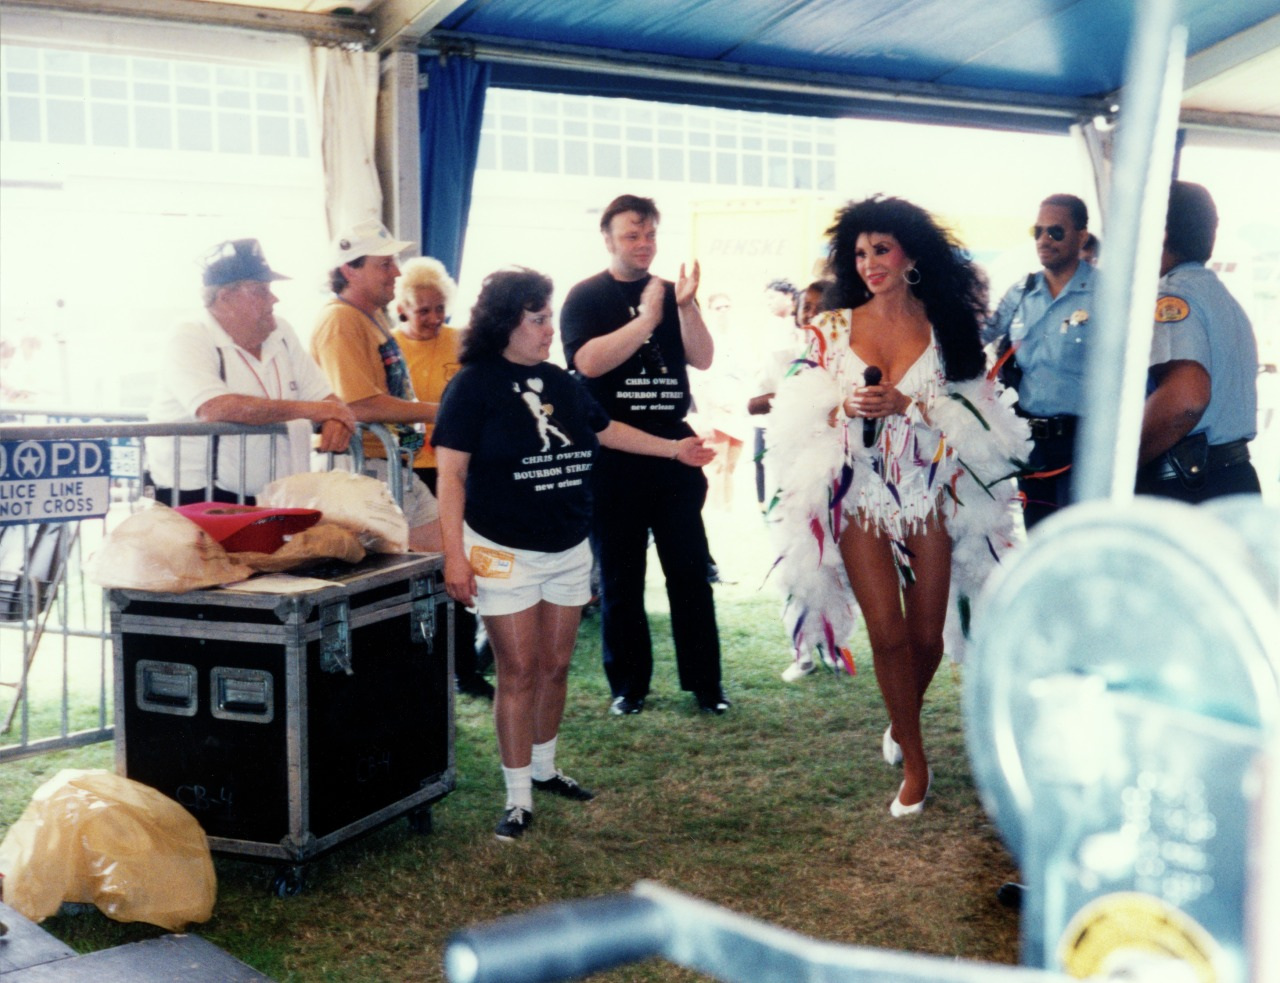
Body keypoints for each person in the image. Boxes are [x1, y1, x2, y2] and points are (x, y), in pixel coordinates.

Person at [432, 267, 713, 841]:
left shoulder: (563, 383)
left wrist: (674, 449)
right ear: (507, 322)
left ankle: (545, 767)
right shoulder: (472, 385)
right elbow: (451, 476)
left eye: (546, 318)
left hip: (566, 547)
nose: (546, 331)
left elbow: (606, 431)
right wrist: (454, 555)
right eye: (537, 320)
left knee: (556, 666)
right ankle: (516, 799)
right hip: (502, 549)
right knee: (518, 670)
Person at [768, 196, 1028, 816]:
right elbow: (795, 411)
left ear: (911, 254)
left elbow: (979, 424)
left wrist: (908, 408)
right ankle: (915, 760)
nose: (868, 263)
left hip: (929, 493)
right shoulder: (831, 328)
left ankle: (901, 715)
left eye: (880, 249)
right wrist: (843, 408)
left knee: (927, 638)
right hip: (857, 490)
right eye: (859, 253)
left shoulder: (950, 331)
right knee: (887, 634)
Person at [559, 194, 730, 716]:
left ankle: (706, 686)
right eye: (632, 235)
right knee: (620, 576)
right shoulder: (585, 296)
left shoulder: (670, 292)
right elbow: (587, 363)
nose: (644, 245)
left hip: (676, 449)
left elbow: (701, 357)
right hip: (615, 454)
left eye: (651, 234)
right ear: (608, 239)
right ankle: (628, 686)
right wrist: (647, 319)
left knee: (689, 572)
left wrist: (684, 306)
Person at [146, 238, 356, 505]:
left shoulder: (280, 332)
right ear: (225, 297)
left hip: (276, 498)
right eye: (260, 290)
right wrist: (316, 411)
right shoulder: (190, 334)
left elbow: (327, 399)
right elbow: (216, 408)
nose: (274, 298)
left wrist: (335, 419)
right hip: (200, 499)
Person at [393, 255, 493, 699]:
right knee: (423, 575)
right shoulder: (391, 349)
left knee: (463, 565)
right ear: (402, 310)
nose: (433, 319)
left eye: (439, 309)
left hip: (461, 473)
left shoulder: (463, 342)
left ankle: (466, 671)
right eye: (422, 310)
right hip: (413, 473)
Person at [309, 219, 442, 552]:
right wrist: (440, 411)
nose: (396, 272)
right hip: (363, 471)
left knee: (445, 560)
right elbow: (359, 405)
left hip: (392, 465)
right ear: (350, 270)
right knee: (389, 580)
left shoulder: (371, 316)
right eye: (384, 264)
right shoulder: (340, 320)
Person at [1136, 181, 1262, 502]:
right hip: (1232, 482)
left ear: (1159, 233)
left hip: (1186, 489)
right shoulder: (1221, 298)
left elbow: (1187, 399)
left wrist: (1123, 461)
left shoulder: (1171, 297)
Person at [986, 194, 1095, 529]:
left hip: (1084, 447)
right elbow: (978, 336)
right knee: (1040, 538)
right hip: (1032, 447)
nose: (1044, 240)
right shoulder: (1021, 292)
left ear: (1082, 237)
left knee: (1080, 545)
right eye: (1038, 231)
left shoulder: (1107, 294)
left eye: (1056, 232)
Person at [689, 292, 749, 512]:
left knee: (731, 465)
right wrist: (705, 415)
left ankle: (728, 509)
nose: (723, 311)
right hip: (714, 411)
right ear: (710, 311)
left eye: (727, 307)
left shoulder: (739, 338)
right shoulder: (706, 338)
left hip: (736, 410)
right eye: (718, 308)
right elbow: (699, 380)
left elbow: (748, 374)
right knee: (717, 465)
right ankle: (717, 515)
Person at [747, 279, 801, 512]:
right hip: (768, 411)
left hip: (794, 412)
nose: (768, 303)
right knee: (765, 463)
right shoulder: (769, 328)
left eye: (772, 297)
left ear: (789, 297)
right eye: (766, 298)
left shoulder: (799, 329)